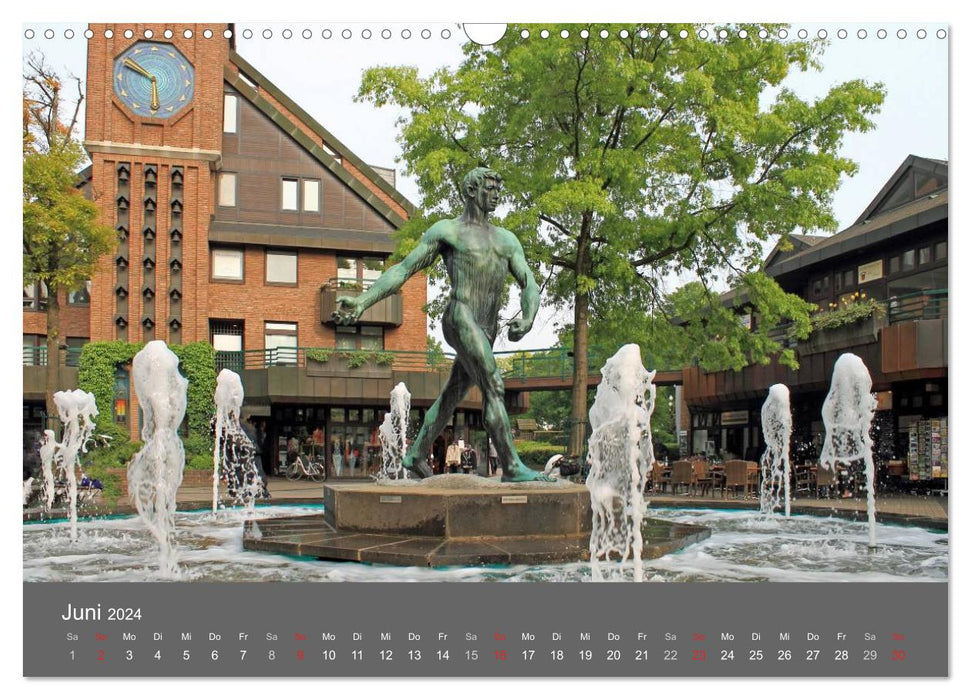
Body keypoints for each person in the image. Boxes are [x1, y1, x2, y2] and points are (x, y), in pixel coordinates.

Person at [334, 166, 553, 482]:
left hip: (487, 328)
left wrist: (529, 316)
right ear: (472, 191)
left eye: (497, 189)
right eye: (489, 189)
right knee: (493, 383)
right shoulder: (447, 231)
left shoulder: (507, 240)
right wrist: (363, 301)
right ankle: (512, 467)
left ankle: (416, 453)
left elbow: (529, 282)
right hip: (459, 317)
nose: (496, 195)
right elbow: (404, 270)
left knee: (452, 395)